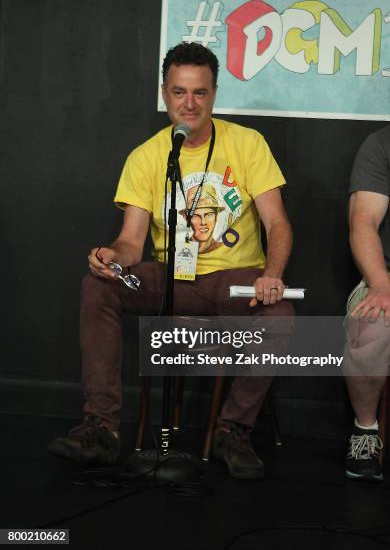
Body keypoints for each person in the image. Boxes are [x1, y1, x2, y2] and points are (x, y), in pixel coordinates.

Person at [49, 42, 294, 480]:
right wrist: (111, 258)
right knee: (98, 285)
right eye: (179, 92)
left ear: (215, 94)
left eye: (200, 93)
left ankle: (232, 431)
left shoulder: (248, 144)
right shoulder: (147, 156)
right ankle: (101, 428)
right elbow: (131, 243)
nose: (189, 103)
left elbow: (277, 224)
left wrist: (272, 275)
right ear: (164, 93)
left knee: (282, 314)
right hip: (172, 278)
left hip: (233, 280)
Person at [344, 125, 390, 482]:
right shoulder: (381, 145)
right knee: (371, 323)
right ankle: (366, 431)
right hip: (387, 274)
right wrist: (381, 284)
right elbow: (363, 221)